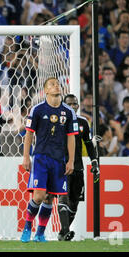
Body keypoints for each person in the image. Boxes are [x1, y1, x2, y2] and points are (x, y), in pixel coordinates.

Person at [21, 77, 78, 243]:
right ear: (46, 90)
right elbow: (29, 134)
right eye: (52, 84)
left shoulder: (68, 112)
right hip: (40, 158)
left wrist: (71, 160)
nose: (56, 85)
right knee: (38, 196)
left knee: (49, 197)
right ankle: (27, 228)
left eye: (57, 84)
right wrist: (26, 156)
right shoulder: (37, 110)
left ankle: (40, 233)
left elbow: (71, 138)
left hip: (59, 160)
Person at [57, 94, 97, 241]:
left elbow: (88, 143)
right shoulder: (58, 122)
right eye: (69, 104)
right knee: (64, 197)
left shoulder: (83, 122)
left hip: (78, 167)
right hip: (62, 166)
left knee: (74, 203)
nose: (73, 106)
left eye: (75, 104)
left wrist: (94, 162)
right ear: (64, 105)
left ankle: (63, 233)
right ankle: (67, 230)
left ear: (78, 106)